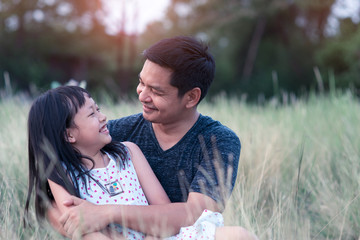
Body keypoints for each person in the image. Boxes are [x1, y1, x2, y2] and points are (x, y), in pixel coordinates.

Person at [24, 85, 256, 240]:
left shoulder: (128, 152)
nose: (104, 117)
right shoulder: (61, 173)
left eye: (99, 109)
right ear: (68, 135)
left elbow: (163, 209)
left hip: (158, 236)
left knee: (239, 235)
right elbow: (76, 223)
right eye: (92, 114)